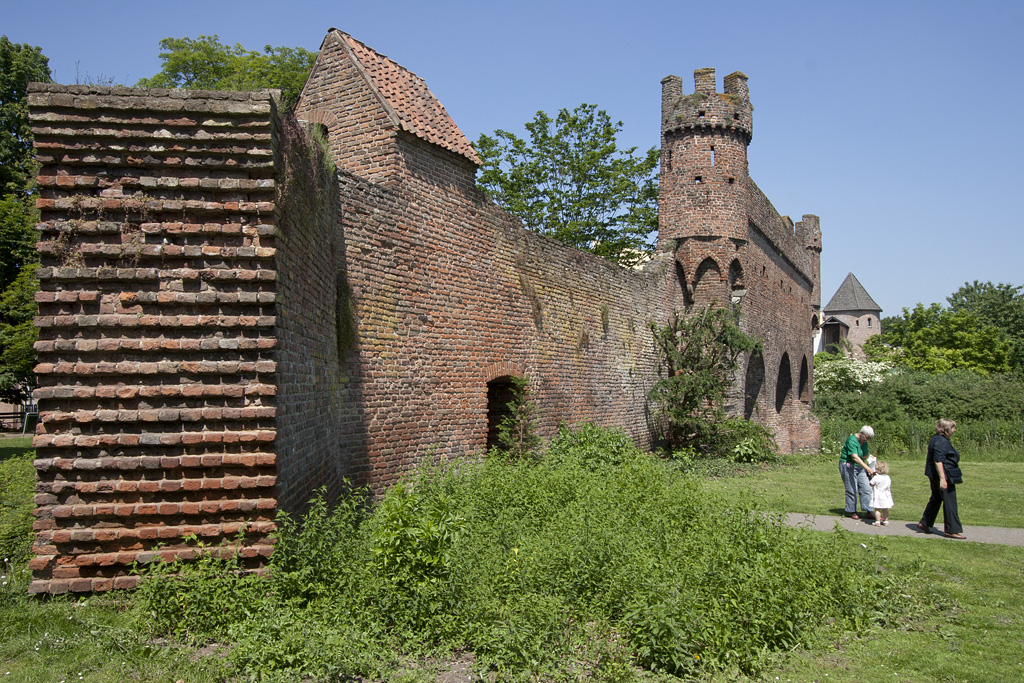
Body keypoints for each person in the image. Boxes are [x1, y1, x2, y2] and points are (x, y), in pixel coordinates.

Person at [917, 418, 965, 539]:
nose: (955, 430)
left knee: (937, 498)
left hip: (934, 473)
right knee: (950, 501)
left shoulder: (936, 439)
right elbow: (938, 460)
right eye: (953, 427)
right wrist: (943, 479)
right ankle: (952, 529)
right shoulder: (941, 442)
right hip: (944, 474)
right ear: (946, 429)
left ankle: (925, 523)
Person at [840, 426, 876, 519]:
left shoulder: (865, 442)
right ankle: (852, 511)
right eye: (866, 437)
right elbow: (855, 457)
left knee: (866, 488)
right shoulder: (851, 440)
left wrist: (870, 457)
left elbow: (863, 453)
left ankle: (868, 510)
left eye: (869, 438)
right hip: (848, 465)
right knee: (852, 488)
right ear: (861, 434)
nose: (867, 440)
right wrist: (868, 468)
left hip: (860, 466)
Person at [869, 461, 893, 526]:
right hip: (886, 494)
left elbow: (871, 484)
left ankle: (877, 521)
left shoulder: (876, 477)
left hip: (878, 495)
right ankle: (886, 521)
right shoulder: (887, 477)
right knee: (885, 509)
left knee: (877, 509)